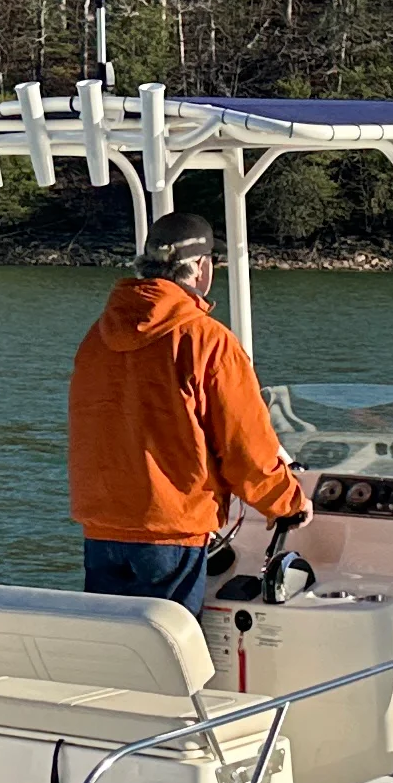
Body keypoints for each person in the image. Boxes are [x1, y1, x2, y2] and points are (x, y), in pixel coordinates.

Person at [67, 216, 308, 613]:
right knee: (169, 645)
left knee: (114, 644)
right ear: (201, 267)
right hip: (171, 531)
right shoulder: (208, 340)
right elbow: (245, 447)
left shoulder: (97, 337)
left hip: (102, 527)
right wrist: (287, 502)